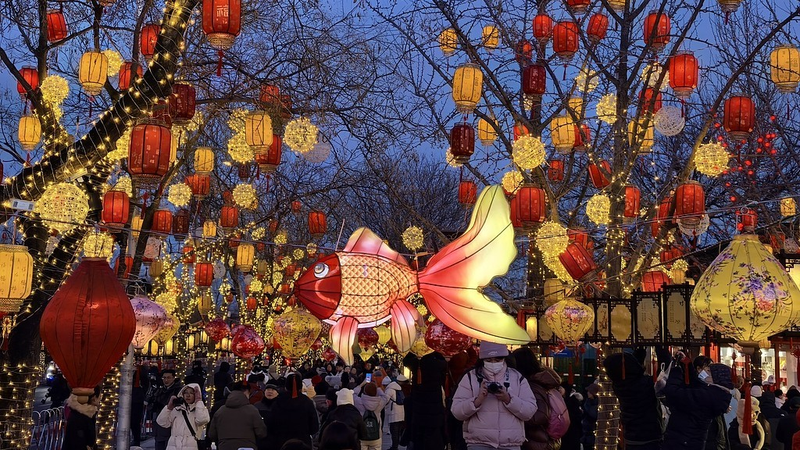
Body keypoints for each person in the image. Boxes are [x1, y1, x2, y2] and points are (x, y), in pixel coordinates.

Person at [451, 341, 537, 450]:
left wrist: (509, 399)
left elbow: (530, 411)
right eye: (488, 360)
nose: (493, 363)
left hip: (510, 444)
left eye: (497, 360)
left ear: (504, 358)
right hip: (479, 443)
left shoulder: (517, 378)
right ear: (482, 360)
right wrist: (477, 401)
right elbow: (457, 411)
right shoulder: (470, 377)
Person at [661, 353, 731, 450]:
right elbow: (696, 383)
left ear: (715, 378)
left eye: (708, 371)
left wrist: (675, 371)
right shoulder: (716, 394)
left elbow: (673, 393)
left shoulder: (706, 396)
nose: (704, 372)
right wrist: (687, 364)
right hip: (690, 441)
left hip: (684, 442)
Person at [603, 352, 663, 450]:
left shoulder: (618, 385)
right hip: (650, 437)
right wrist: (662, 352)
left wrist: (640, 353)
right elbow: (662, 375)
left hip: (631, 437)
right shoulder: (645, 384)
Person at [512, 347, 561, 450]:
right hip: (542, 439)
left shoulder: (532, 386)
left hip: (536, 441)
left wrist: (516, 414)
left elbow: (539, 416)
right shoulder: (542, 383)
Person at [263, 374, 320, 450]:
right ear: (300, 387)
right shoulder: (307, 402)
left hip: (281, 443)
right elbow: (314, 427)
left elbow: (270, 424)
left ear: (286, 387)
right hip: (303, 443)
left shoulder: (278, 401)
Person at [207, 381, 268, 450]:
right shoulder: (252, 410)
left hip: (225, 446)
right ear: (246, 392)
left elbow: (212, 434)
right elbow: (261, 433)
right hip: (247, 446)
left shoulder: (220, 411)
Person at [156, 383, 210, 450]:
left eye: (191, 393)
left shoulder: (200, 410)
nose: (188, 395)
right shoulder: (177, 410)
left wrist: (198, 401)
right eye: (186, 393)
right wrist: (168, 408)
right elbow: (162, 422)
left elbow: (202, 420)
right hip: (173, 446)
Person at [149, 370, 184, 450]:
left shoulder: (179, 391)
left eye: (168, 378)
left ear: (173, 378)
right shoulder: (159, 390)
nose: (166, 380)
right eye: (164, 378)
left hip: (172, 426)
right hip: (159, 426)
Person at [353, 382, 388, 450]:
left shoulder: (359, 402)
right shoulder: (380, 402)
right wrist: (377, 388)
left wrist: (361, 384)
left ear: (364, 391)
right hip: (376, 434)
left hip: (362, 435)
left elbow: (353, 394)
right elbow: (385, 397)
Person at [382, 375, 405, 450]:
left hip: (394, 413)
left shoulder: (389, 390)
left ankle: (394, 447)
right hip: (401, 412)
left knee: (394, 431)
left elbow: (385, 400)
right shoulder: (398, 388)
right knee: (398, 432)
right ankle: (395, 446)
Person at [132, 364, 151, 446]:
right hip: (134, 398)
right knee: (133, 422)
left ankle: (136, 439)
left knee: (135, 421)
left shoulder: (141, 372)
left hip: (137, 399)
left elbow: (146, 385)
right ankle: (135, 438)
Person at [582, 382, 600, 450]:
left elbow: (593, 414)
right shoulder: (587, 401)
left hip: (592, 433)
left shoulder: (595, 403)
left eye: (589, 392)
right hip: (586, 433)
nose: (587, 393)